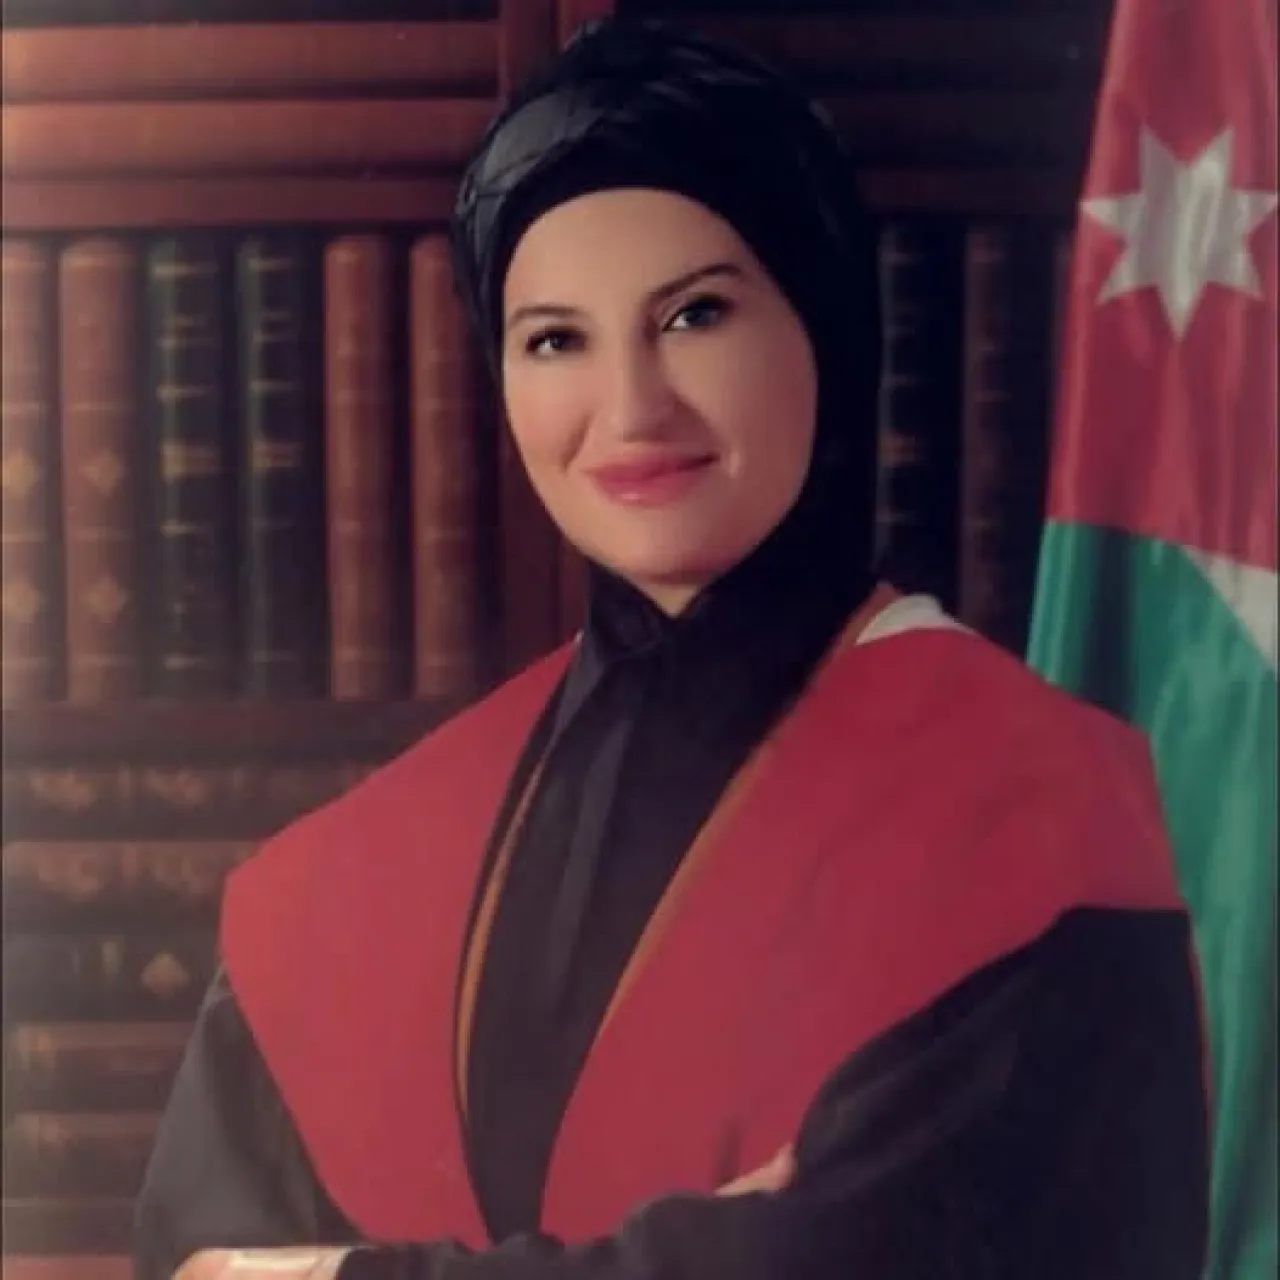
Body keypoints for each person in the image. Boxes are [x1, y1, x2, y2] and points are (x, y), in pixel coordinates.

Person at [135, 17, 1210, 1280]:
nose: (631, 407)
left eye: (695, 314)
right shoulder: (359, 862)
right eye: (554, 338)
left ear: (824, 328)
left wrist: (343, 1272)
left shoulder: (1037, 804)